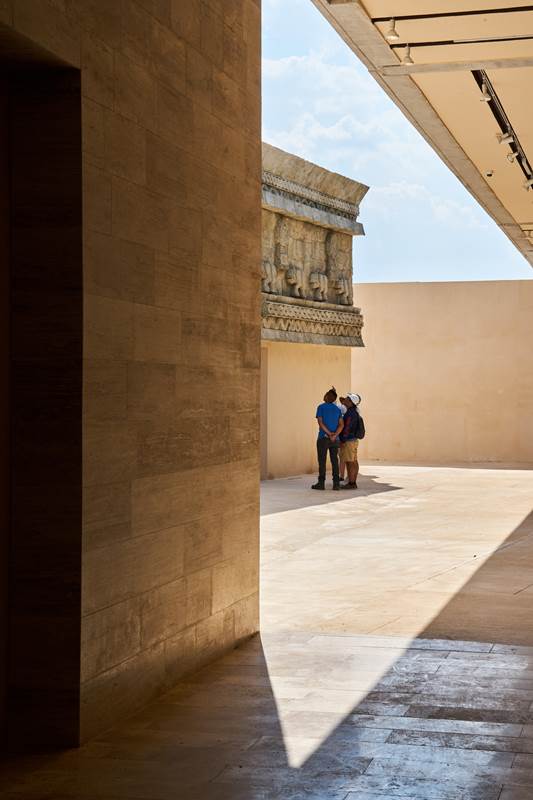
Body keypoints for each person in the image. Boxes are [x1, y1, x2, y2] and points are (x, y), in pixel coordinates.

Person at [312, 387, 343, 491]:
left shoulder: (321, 407)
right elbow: (341, 425)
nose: (324, 396)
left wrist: (329, 434)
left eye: (325, 394)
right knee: (335, 461)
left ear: (328, 397)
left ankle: (321, 483)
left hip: (323, 438)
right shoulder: (338, 409)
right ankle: (336, 484)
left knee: (322, 461)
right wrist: (334, 435)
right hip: (335, 439)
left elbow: (320, 422)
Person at [339, 392, 362, 490]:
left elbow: (347, 427)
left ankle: (352, 483)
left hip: (349, 441)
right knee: (353, 461)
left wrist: (343, 439)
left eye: (347, 399)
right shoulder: (353, 412)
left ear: (351, 402)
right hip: (353, 440)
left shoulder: (350, 414)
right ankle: (352, 482)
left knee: (350, 462)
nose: (345, 400)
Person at [337, 396, 348, 482]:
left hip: (341, 437)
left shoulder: (340, 409)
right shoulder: (345, 410)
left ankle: (341, 475)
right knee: (344, 458)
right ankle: (342, 475)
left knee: (341, 458)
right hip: (343, 437)